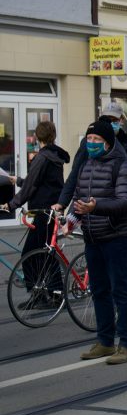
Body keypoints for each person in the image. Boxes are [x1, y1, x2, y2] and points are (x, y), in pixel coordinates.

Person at [68, 119, 127, 364]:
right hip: (92, 236)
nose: (92, 144)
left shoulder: (124, 165)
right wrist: (71, 220)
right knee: (98, 290)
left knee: (120, 290)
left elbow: (126, 202)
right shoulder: (86, 165)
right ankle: (106, 341)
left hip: (117, 235)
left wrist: (96, 207)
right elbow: (78, 199)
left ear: (108, 142)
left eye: (97, 140)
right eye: (89, 140)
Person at [1, 121, 69, 308]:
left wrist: (11, 205)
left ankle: (41, 294)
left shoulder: (42, 158)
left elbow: (32, 186)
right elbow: (42, 183)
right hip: (51, 210)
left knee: (31, 254)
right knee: (46, 253)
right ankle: (54, 293)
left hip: (44, 212)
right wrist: (21, 180)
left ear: (38, 137)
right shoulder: (55, 155)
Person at [54, 102, 127, 213]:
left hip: (121, 207)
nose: (110, 123)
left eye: (114, 120)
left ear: (121, 120)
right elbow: (76, 174)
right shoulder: (89, 143)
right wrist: (63, 202)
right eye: (107, 119)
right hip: (93, 204)